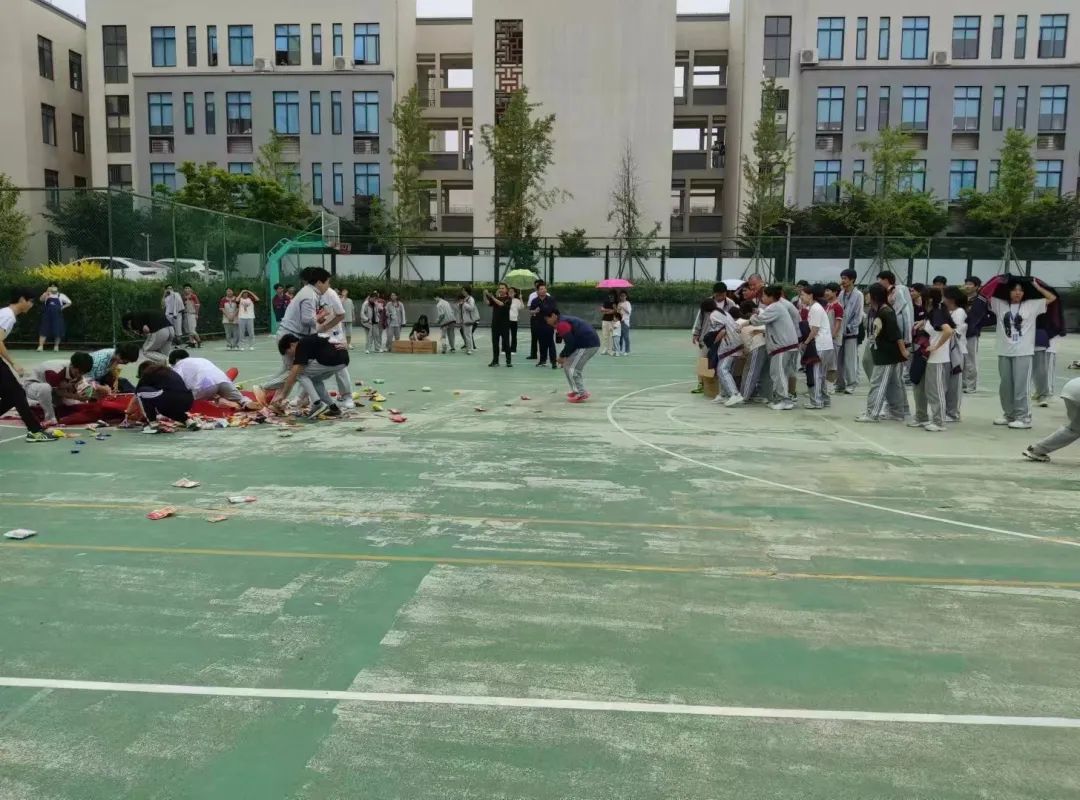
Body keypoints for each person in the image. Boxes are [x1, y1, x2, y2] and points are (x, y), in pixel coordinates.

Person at [988, 277, 1057, 429]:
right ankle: (1009, 414)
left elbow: (1051, 298)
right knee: (1005, 386)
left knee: (1021, 386)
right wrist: (999, 280)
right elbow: (986, 293)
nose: (1017, 293)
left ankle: (1023, 417)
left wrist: (1037, 287)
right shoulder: (1000, 304)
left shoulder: (1032, 305)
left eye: (1020, 290)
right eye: (1014, 289)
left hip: (1023, 351)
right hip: (1004, 350)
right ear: (1009, 291)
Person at [0, 289, 53, 442]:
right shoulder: (8, 315)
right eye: (30, 301)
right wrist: (13, 363)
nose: (31, 305)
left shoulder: (5, 314)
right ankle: (35, 431)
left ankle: (35, 430)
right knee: (17, 393)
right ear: (22, 299)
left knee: (12, 396)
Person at [856, 284, 910, 424]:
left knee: (878, 384)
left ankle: (872, 413)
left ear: (874, 296)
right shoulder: (875, 311)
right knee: (892, 384)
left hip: (888, 355)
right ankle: (896, 412)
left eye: (868, 294)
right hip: (881, 352)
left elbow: (896, 334)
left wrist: (903, 351)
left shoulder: (886, 312)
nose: (866, 297)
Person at [274, 333, 350, 419]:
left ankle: (317, 403)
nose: (291, 356)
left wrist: (283, 395)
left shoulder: (301, 345)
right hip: (343, 360)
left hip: (332, 360)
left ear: (292, 345)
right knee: (315, 379)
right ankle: (333, 408)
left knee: (299, 374)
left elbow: (293, 374)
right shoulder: (309, 340)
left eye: (288, 352)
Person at [909, 288, 953, 433]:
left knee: (936, 391)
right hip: (931, 359)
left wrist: (936, 346)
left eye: (922, 298)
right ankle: (934, 419)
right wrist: (922, 322)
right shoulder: (933, 313)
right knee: (930, 390)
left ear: (929, 299)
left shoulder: (937, 313)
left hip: (938, 358)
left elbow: (948, 331)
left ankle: (939, 421)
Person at [751, 285, 800, 411]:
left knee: (778, 374)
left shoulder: (774, 307)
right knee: (779, 373)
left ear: (771, 297)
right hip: (786, 345)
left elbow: (758, 321)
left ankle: (785, 400)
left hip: (783, 346)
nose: (762, 298)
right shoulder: (778, 306)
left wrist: (752, 316)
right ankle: (781, 398)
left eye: (764, 296)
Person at [169, 349, 258, 409]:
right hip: (223, 380)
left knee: (188, 402)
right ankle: (245, 402)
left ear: (176, 360)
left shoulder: (179, 365)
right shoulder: (200, 359)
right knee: (239, 397)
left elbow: (177, 382)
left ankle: (218, 399)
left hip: (205, 386)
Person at [24, 352, 94, 427]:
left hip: (53, 390)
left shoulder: (76, 370)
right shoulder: (55, 371)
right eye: (79, 372)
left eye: (83, 373)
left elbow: (77, 390)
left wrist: (86, 395)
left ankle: (46, 408)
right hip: (32, 387)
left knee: (73, 406)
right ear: (72, 365)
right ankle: (50, 418)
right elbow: (57, 392)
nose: (80, 375)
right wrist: (76, 396)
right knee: (45, 388)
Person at [316, 281, 355, 410]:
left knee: (340, 367)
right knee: (308, 368)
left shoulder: (331, 294)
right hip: (317, 336)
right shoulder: (310, 294)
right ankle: (304, 397)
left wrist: (326, 326)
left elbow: (340, 314)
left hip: (334, 335)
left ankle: (347, 396)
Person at [546, 310, 601, 403]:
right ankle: (575, 390)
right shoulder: (563, 321)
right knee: (567, 365)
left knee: (573, 369)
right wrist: (565, 357)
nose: (547, 321)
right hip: (583, 344)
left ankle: (581, 393)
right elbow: (571, 342)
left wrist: (562, 356)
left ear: (554, 316)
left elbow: (570, 343)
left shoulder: (562, 324)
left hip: (587, 345)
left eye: (547, 319)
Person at [1023, 378, 1080, 463]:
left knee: (1075, 428)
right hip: (1076, 392)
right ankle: (1037, 450)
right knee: (1076, 428)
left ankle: (1036, 450)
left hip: (1071, 388)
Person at [135, 361, 194, 432]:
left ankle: (152, 423)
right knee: (163, 410)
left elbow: (136, 394)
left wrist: (128, 413)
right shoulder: (169, 371)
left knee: (141, 392)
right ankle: (188, 421)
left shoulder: (147, 373)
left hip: (170, 398)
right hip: (188, 400)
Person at [801, 285, 834, 410]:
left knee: (815, 373)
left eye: (803, 295)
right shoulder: (817, 307)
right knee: (821, 374)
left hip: (819, 345)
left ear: (811, 295)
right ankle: (824, 399)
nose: (801, 297)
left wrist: (806, 342)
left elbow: (814, 329)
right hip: (826, 345)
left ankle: (816, 401)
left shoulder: (815, 308)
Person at [835, 269, 864, 394]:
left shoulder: (858, 295)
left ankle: (851, 384)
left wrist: (850, 327)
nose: (843, 281)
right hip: (840, 332)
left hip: (851, 332)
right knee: (838, 359)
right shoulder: (841, 294)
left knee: (850, 360)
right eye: (842, 278)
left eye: (845, 278)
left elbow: (859, 315)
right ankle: (840, 384)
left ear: (852, 280)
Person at [962, 276, 992, 393]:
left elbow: (992, 316)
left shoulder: (982, 300)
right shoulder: (961, 299)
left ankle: (971, 385)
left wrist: (978, 324)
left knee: (970, 360)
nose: (968, 286)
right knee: (960, 360)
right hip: (959, 333)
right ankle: (962, 384)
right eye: (966, 283)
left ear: (977, 287)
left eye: (970, 284)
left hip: (972, 334)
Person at [942, 287, 968, 422]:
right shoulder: (946, 311)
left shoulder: (959, 312)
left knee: (954, 383)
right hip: (946, 350)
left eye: (944, 297)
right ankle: (946, 410)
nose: (943, 300)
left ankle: (953, 413)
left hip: (957, 351)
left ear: (951, 299)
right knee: (946, 381)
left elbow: (955, 331)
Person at [734, 300, 767, 406]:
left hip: (756, 347)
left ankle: (744, 396)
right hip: (763, 346)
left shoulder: (739, 322)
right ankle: (760, 394)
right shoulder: (755, 321)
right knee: (760, 372)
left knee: (750, 372)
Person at [528, 283, 558, 368]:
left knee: (550, 343)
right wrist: (535, 311)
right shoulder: (535, 301)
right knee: (541, 343)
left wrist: (554, 322)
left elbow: (554, 311)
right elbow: (531, 311)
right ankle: (542, 361)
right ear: (537, 291)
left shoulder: (551, 299)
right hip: (538, 324)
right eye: (541, 289)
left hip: (549, 324)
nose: (543, 290)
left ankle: (554, 362)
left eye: (544, 289)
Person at [484, 284, 513, 367]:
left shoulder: (508, 299)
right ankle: (495, 361)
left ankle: (508, 361)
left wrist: (493, 297)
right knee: (495, 343)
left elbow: (501, 304)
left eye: (503, 288)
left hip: (505, 324)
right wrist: (485, 294)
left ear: (506, 290)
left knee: (506, 343)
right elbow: (487, 303)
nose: (501, 289)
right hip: (495, 324)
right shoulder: (496, 298)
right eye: (500, 288)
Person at [37, 285, 71, 352]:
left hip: (57, 316)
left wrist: (62, 307)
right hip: (47, 315)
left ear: (57, 288)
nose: (53, 288)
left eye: (55, 287)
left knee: (57, 330)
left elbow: (69, 302)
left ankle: (56, 346)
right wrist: (46, 292)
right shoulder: (47, 294)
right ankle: (40, 346)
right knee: (44, 329)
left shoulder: (61, 295)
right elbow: (41, 299)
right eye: (52, 287)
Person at [457, 288, 478, 354]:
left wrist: (464, 303)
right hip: (464, 319)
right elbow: (461, 309)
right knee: (466, 334)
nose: (462, 292)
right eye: (462, 291)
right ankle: (468, 347)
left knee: (468, 335)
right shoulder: (465, 299)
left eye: (464, 291)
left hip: (469, 319)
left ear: (467, 291)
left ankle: (470, 349)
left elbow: (471, 308)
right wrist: (460, 304)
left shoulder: (470, 299)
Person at [526, 280, 543, 360]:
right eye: (536, 286)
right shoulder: (532, 295)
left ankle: (543, 355)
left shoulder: (548, 296)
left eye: (539, 286)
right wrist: (534, 311)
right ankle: (533, 354)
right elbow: (529, 307)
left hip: (544, 319)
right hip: (534, 318)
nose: (537, 288)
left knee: (543, 337)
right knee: (534, 336)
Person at [508, 287, 524, 353]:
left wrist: (521, 298)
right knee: (505, 335)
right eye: (509, 291)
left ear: (515, 293)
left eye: (512, 292)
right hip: (506, 319)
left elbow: (522, 307)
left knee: (514, 335)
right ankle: (504, 348)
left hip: (514, 320)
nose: (510, 293)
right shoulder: (505, 299)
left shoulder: (517, 300)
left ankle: (513, 349)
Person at [617, 291, 632, 356]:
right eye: (621, 296)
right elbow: (617, 313)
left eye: (624, 296)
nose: (622, 297)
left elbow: (628, 312)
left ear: (626, 296)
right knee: (620, 337)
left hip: (625, 322)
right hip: (619, 322)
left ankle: (627, 350)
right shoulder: (619, 303)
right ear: (620, 297)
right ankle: (620, 350)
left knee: (626, 337)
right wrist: (619, 310)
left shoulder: (627, 303)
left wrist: (622, 307)